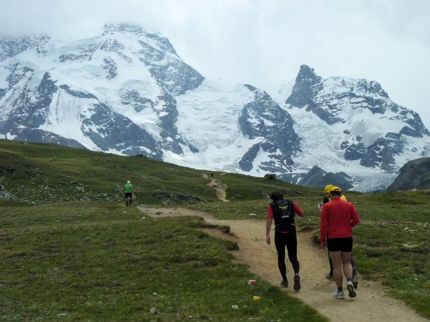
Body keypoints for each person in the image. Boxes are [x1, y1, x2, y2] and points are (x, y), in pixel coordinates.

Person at [320, 186, 360, 299]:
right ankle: (349, 281)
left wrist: (323, 239)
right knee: (347, 262)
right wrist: (348, 225)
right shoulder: (349, 205)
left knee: (337, 265)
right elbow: (356, 219)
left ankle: (340, 291)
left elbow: (323, 225)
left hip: (333, 237)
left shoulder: (327, 206)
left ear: (331, 195)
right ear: (340, 194)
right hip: (347, 236)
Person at [266, 191, 304, 291]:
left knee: (281, 257)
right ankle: (296, 273)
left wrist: (267, 234)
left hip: (279, 232)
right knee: (293, 257)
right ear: (282, 197)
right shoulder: (290, 203)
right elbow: (302, 214)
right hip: (291, 231)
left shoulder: (272, 205)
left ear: (272, 199)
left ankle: (285, 281)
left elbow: (269, 219)